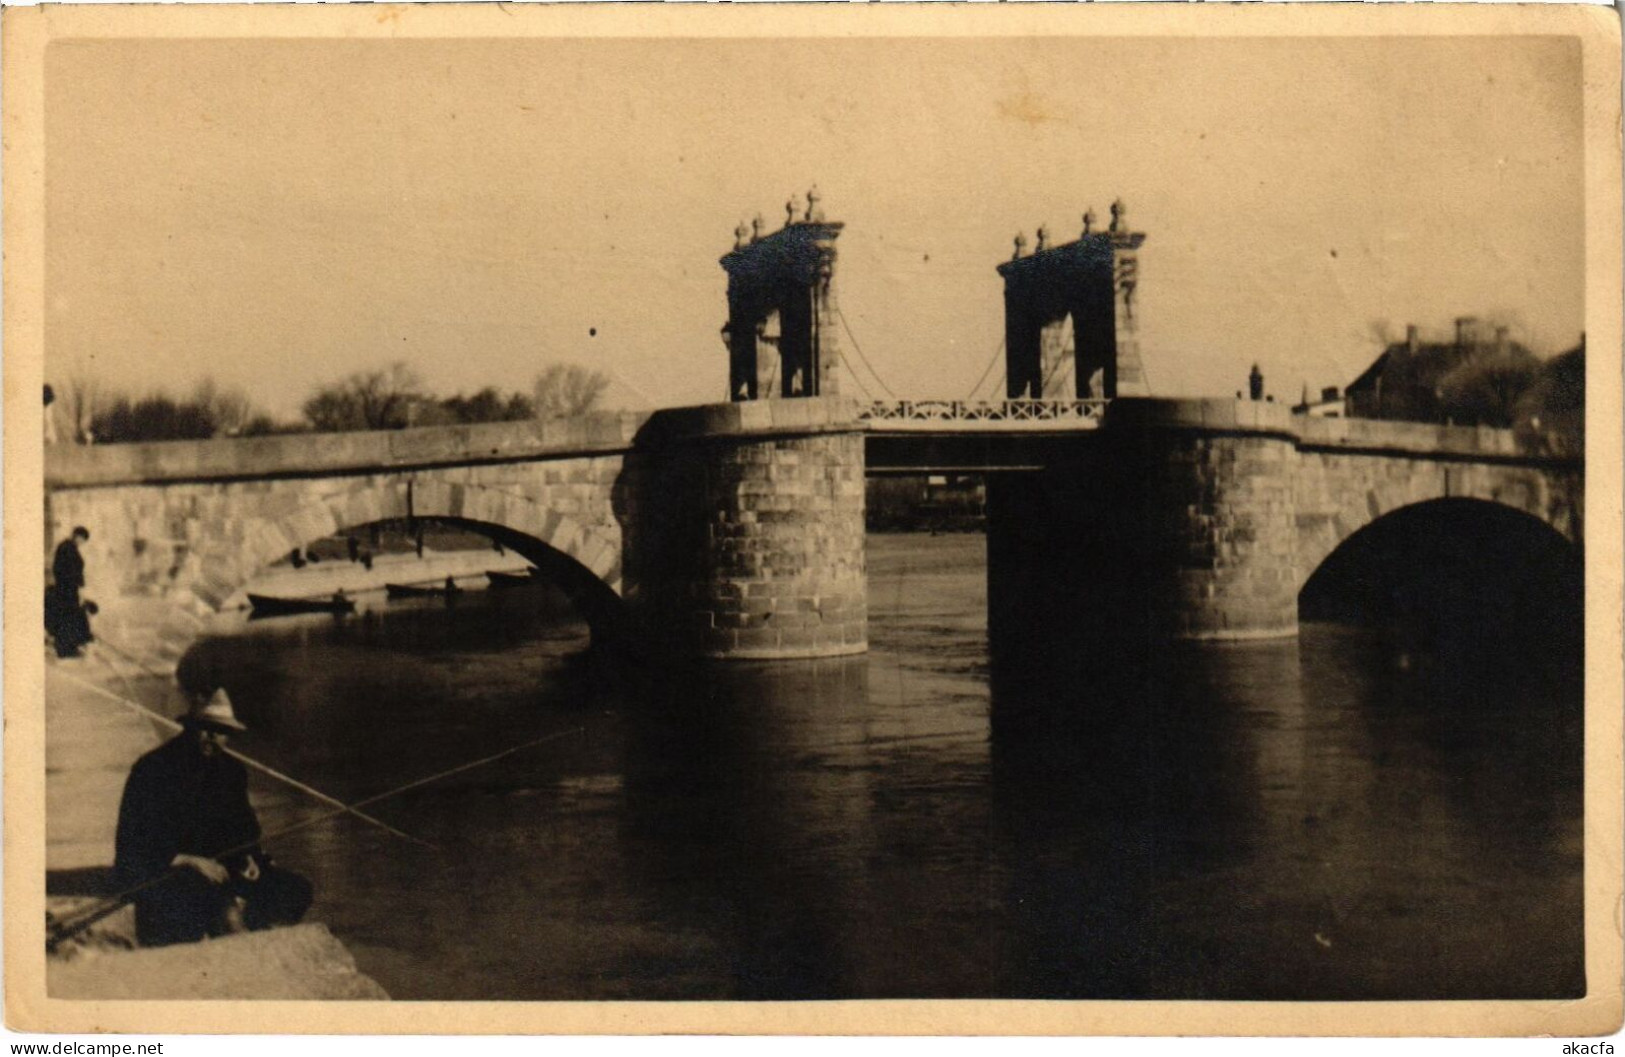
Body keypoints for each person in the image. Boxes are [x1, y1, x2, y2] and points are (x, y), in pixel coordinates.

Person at [113, 688, 313, 947]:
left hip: (221, 868)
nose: (212, 737)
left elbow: (245, 828)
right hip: (168, 869)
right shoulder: (153, 769)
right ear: (189, 728)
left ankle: (258, 936)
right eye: (205, 729)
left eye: (222, 732)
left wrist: (251, 857)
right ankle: (236, 940)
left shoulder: (232, 771)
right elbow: (133, 839)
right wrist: (187, 860)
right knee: (209, 895)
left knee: (296, 888)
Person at [46, 527, 92, 656]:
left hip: (68, 589)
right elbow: (66, 569)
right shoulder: (67, 548)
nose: (82, 542)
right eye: (81, 539)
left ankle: (69, 647)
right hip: (66, 589)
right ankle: (66, 649)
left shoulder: (69, 547)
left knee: (69, 618)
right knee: (67, 618)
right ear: (76, 535)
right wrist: (76, 583)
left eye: (83, 540)